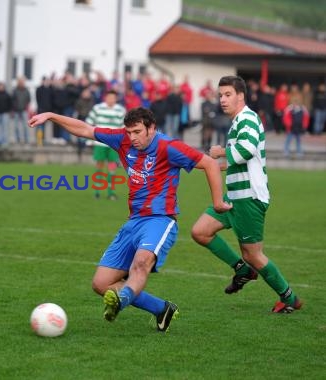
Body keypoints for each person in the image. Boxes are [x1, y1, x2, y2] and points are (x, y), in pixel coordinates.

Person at [28, 107, 230, 332]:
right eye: (129, 132)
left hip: (160, 220)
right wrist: (51, 116)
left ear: (151, 128)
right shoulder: (122, 140)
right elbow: (85, 129)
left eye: (137, 132)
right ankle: (162, 308)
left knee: (141, 264)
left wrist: (218, 202)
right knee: (101, 284)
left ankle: (120, 303)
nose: (132, 138)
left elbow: (210, 164)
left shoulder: (169, 147)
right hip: (133, 222)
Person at [191, 75, 303, 314]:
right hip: (235, 196)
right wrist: (211, 165)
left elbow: (247, 150)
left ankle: (289, 297)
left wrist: (220, 152)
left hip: (249, 197)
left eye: (228, 94)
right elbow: (240, 160)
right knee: (200, 231)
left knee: (253, 254)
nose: (222, 99)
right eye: (220, 95)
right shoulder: (237, 121)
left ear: (240, 96)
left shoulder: (248, 118)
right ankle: (242, 270)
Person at [85, 90, 125, 200]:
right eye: (109, 97)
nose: (111, 100)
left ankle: (110, 192)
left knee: (112, 167)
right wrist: (89, 139)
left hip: (113, 144)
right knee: (99, 165)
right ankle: (97, 191)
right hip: (99, 143)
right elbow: (88, 123)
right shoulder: (97, 108)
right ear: (105, 98)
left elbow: (123, 128)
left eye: (113, 98)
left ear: (116, 99)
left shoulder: (120, 110)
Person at [11, 76, 31, 145]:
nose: (21, 83)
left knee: (26, 126)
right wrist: (13, 109)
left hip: (24, 110)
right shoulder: (15, 90)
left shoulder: (26, 90)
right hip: (16, 111)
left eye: (22, 81)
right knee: (16, 127)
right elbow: (12, 100)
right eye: (20, 81)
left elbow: (28, 99)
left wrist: (26, 107)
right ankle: (18, 140)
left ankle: (27, 140)